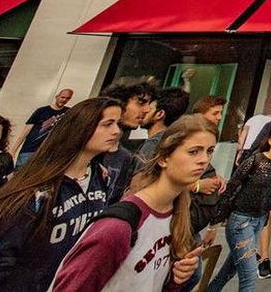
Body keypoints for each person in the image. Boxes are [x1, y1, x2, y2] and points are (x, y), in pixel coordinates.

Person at [49, 115, 212, 291]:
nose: (204, 160)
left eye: (209, 151)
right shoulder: (118, 227)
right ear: (164, 158)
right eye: (194, 151)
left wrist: (174, 280)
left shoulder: (177, 216)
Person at [0, 97, 121, 291]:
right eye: (107, 124)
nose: (116, 131)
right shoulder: (36, 191)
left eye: (117, 124)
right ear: (81, 128)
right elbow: (1, 261)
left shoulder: (100, 178)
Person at [206, 121, 271, 292]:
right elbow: (231, 189)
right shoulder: (255, 160)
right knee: (249, 275)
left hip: (259, 221)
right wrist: (214, 225)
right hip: (240, 221)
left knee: (228, 271)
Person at [98, 79, 156, 204]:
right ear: (120, 102)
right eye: (141, 103)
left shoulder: (125, 158)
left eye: (148, 104)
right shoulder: (83, 148)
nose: (147, 110)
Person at [188, 95, 227, 239]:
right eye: (215, 113)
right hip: (179, 220)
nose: (219, 117)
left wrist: (216, 176)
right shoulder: (184, 137)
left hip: (195, 223)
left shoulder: (208, 136)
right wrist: (197, 185)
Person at [10, 88, 72, 167]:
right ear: (57, 97)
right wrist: (13, 150)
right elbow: (26, 130)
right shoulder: (41, 111)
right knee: (19, 174)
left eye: (67, 98)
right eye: (62, 97)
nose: (64, 100)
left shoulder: (68, 113)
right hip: (29, 150)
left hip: (48, 153)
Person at [136, 86, 190, 164]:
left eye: (150, 109)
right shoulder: (173, 142)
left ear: (160, 114)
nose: (144, 111)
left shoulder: (153, 145)